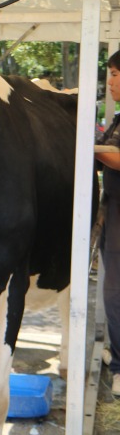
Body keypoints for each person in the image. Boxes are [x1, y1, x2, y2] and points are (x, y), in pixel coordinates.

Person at [94, 49, 120, 396]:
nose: (111, 81)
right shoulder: (117, 118)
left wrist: (87, 148)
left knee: (115, 293)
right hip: (113, 212)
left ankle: (119, 366)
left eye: (116, 74)